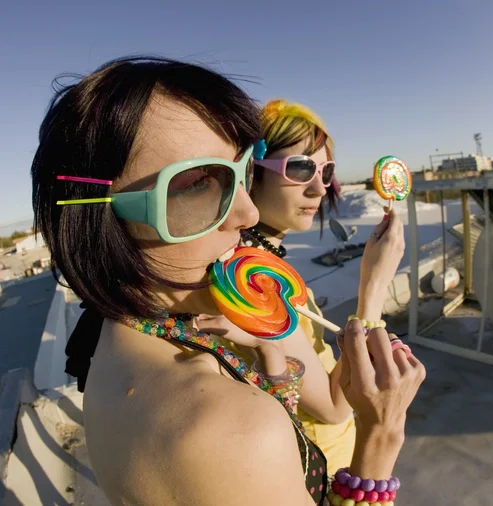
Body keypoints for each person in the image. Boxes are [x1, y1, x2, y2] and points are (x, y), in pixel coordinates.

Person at [33, 56, 425, 506]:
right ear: (98, 217)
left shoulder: (135, 329)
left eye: (238, 169)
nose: (247, 214)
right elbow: (326, 411)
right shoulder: (225, 429)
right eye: (199, 184)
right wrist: (380, 442)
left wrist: (272, 359)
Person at [239, 99, 405, 471]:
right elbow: (334, 406)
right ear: (251, 172)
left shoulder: (264, 262)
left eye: (325, 169)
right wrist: (373, 288)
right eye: (299, 168)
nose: (318, 187)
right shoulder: (252, 279)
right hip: (320, 472)